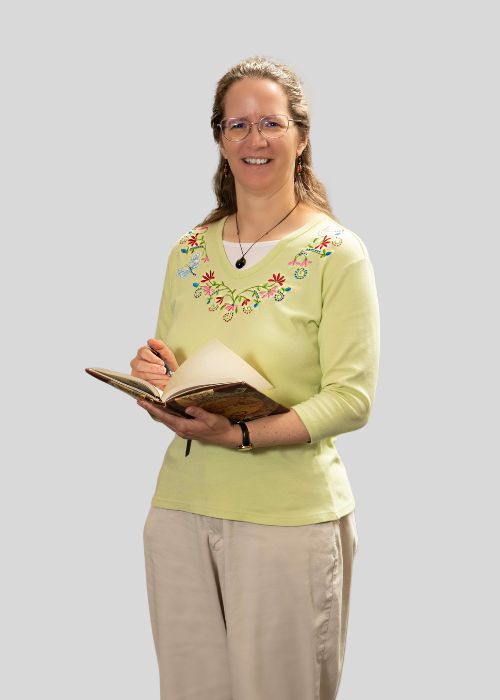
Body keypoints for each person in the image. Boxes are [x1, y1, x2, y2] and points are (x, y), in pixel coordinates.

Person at [131, 56, 380, 700]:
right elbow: (174, 369)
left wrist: (243, 437)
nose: (254, 139)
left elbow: (352, 399)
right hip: (181, 511)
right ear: (219, 139)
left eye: (270, 122)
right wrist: (152, 378)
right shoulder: (188, 250)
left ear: (301, 135)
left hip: (288, 521)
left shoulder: (336, 252)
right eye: (236, 125)